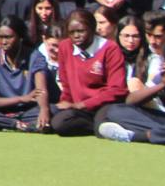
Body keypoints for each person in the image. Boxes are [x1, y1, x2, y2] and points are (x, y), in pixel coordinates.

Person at [51, 8, 127, 137]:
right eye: (72, 32)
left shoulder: (110, 48)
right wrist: (66, 103)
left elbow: (117, 89)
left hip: (104, 105)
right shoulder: (65, 46)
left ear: (92, 28)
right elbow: (66, 81)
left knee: (101, 128)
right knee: (58, 122)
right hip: (78, 108)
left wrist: (83, 104)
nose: (76, 36)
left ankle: (104, 126)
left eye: (81, 31)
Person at [96, 12, 165, 143]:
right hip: (143, 113)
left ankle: (136, 136)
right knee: (115, 112)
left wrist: (162, 84)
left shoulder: (154, 59)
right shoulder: (109, 55)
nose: (152, 41)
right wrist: (162, 84)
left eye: (135, 36)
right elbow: (130, 101)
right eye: (149, 35)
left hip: (158, 113)